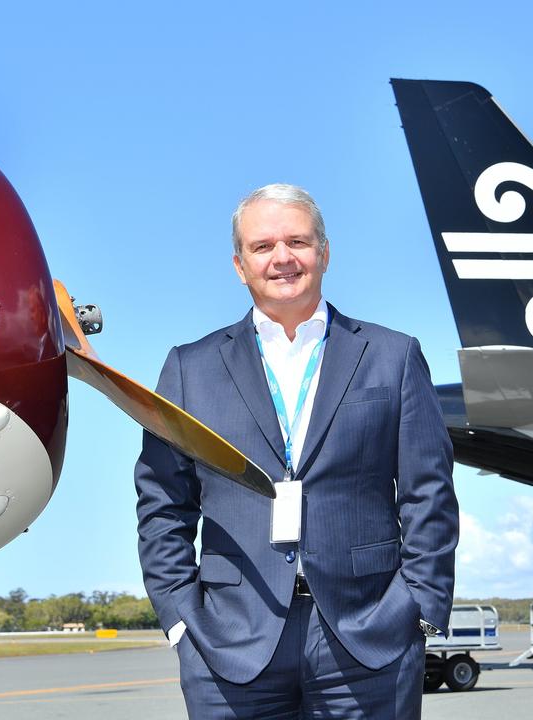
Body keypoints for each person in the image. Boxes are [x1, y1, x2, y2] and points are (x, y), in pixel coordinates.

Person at [134, 183, 458, 718]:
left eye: (298, 242)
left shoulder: (393, 356)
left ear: (324, 253)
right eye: (263, 247)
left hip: (368, 634)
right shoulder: (189, 369)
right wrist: (179, 616)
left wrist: (418, 609)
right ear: (240, 266)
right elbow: (162, 502)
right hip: (230, 638)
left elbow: (429, 494)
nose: (282, 258)